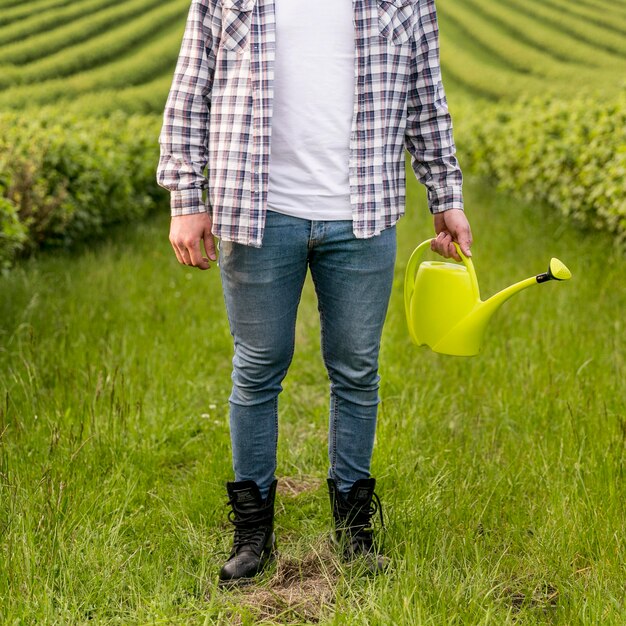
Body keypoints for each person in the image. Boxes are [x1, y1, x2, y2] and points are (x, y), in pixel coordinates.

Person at [157, 0, 472, 586]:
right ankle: (253, 534)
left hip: (362, 212)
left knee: (357, 369)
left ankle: (354, 532)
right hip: (257, 208)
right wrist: (186, 198)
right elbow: (189, 91)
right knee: (257, 367)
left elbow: (428, 103)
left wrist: (445, 196)